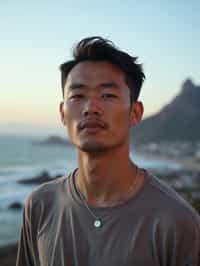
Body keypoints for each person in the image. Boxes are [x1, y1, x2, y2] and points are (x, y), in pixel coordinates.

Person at [16, 36, 200, 266]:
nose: (91, 108)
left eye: (107, 95)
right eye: (78, 96)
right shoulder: (39, 205)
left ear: (135, 112)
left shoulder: (176, 221)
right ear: (63, 112)